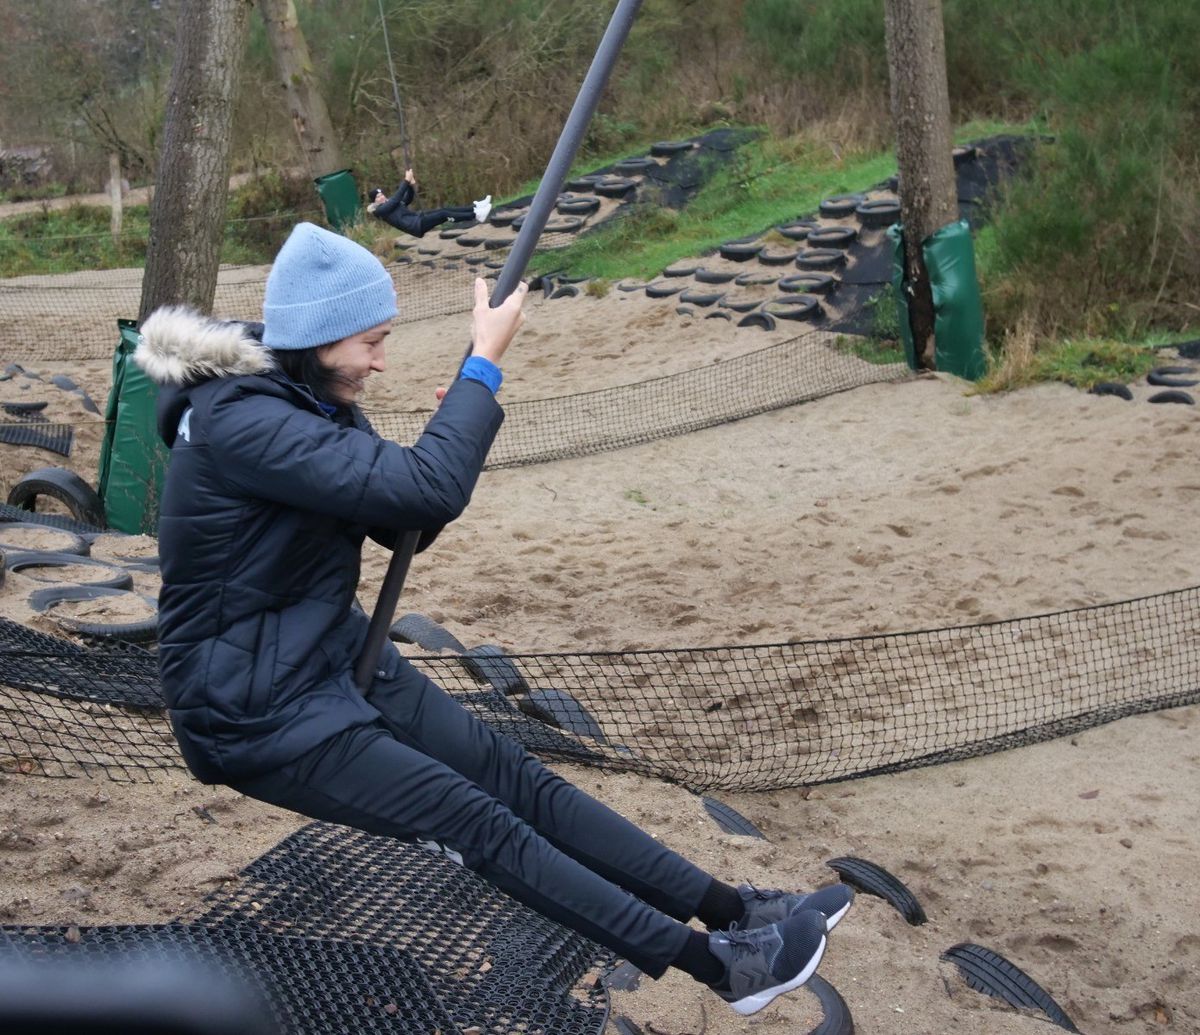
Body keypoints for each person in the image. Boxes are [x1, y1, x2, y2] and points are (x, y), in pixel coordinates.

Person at [135, 222, 854, 1017]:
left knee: (514, 776)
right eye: (372, 342)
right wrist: (482, 369)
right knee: (477, 820)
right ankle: (723, 969)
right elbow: (425, 489)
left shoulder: (307, 399)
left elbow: (406, 522)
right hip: (254, 710)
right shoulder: (244, 422)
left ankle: (732, 910)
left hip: (331, 656)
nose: (381, 361)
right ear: (320, 338)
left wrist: (458, 427)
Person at [367, 167, 491, 237]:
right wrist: (406, 181)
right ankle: (476, 215)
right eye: (378, 197)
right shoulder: (380, 211)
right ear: (374, 201)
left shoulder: (389, 204)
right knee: (443, 215)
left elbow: (406, 200)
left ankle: (475, 207)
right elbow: (396, 199)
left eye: (381, 194)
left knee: (445, 209)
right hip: (416, 226)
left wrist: (410, 186)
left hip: (418, 218)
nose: (382, 197)